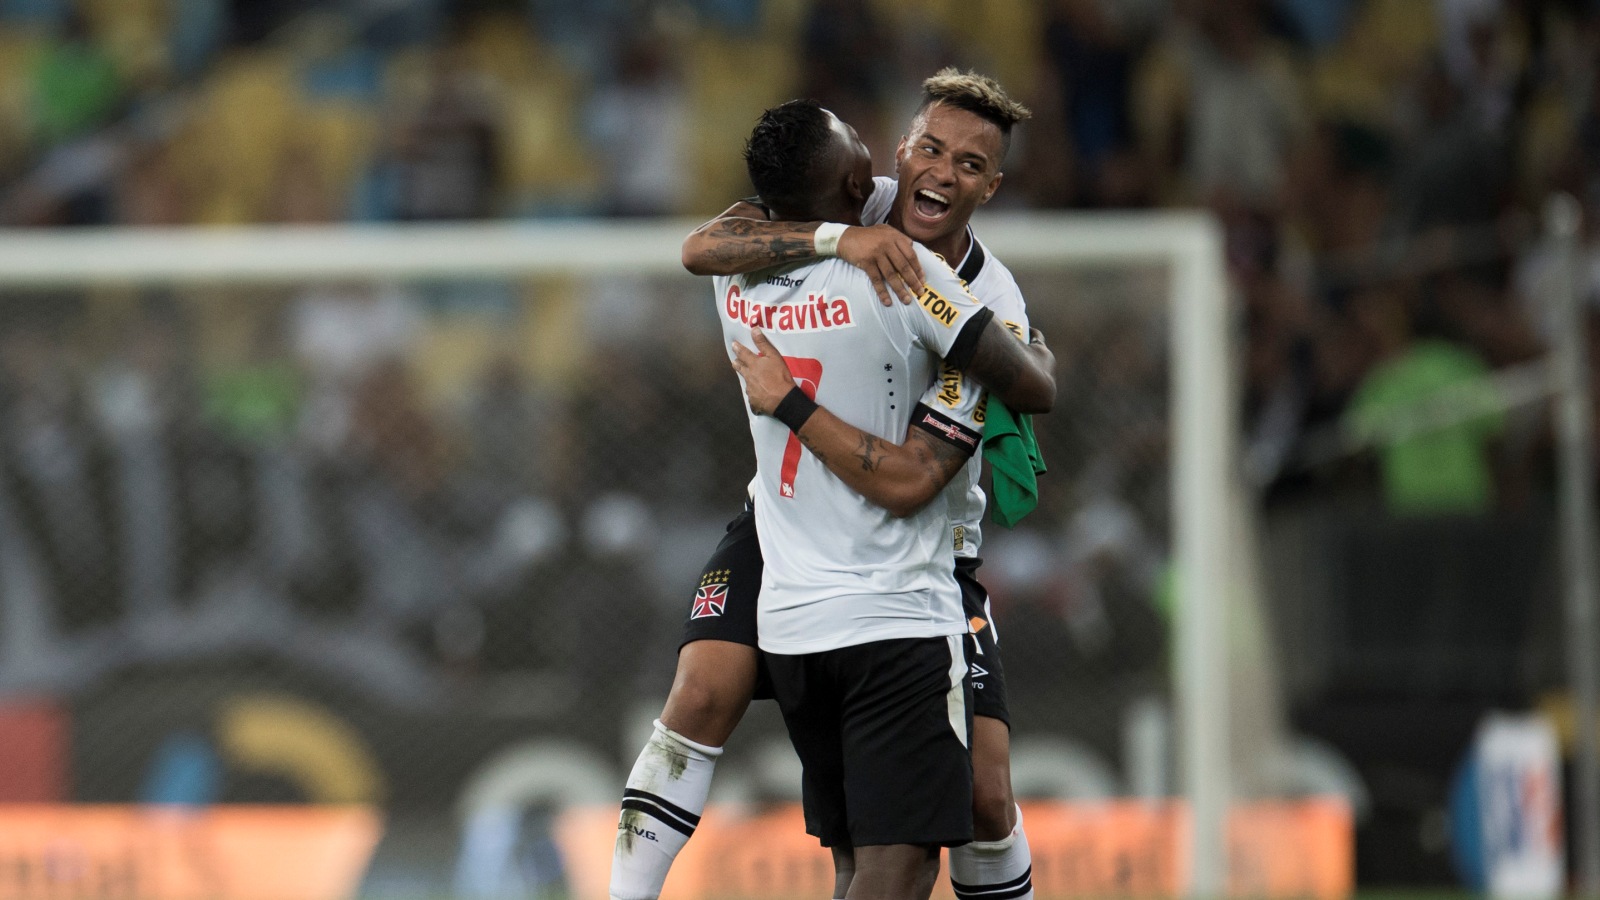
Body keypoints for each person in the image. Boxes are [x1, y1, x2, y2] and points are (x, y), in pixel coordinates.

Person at [612, 73, 1045, 900]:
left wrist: (1036, 360)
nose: (942, 172)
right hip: (782, 520)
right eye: (930, 149)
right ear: (893, 158)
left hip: (920, 557)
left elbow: (1011, 393)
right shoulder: (857, 204)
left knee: (986, 798)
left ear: (992, 184)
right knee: (702, 692)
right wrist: (832, 241)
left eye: (969, 162)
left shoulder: (986, 294)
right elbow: (703, 246)